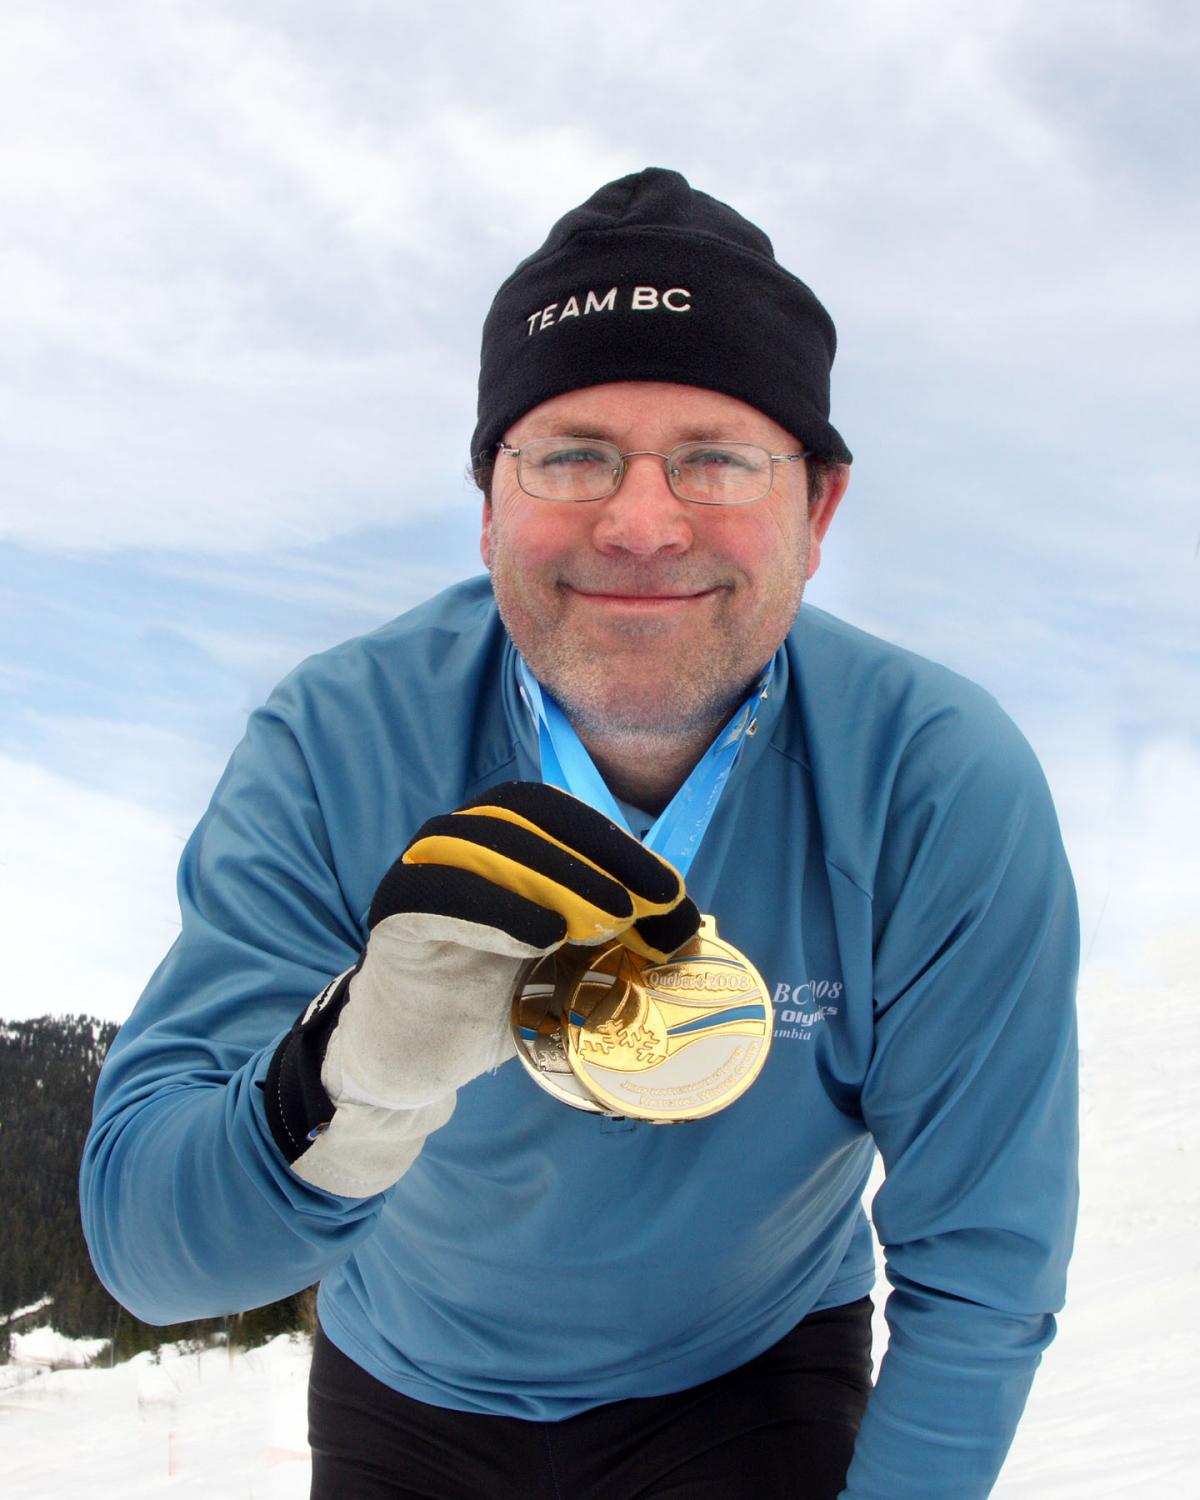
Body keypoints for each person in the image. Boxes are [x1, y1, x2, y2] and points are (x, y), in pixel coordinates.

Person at [81, 168, 1079, 1500]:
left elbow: (986, 1267)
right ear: (489, 499)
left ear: (818, 509)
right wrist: (353, 1082)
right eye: (572, 456)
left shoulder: (934, 781)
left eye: (715, 458)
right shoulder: (339, 742)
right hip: (409, 1388)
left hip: (751, 1372)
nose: (643, 522)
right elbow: (151, 1255)